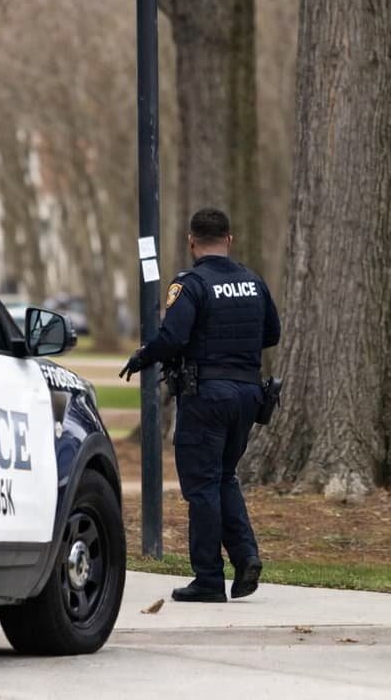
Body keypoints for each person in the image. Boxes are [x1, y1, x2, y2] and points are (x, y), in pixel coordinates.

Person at [121, 208, 280, 603]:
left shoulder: (191, 284)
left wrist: (143, 357)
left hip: (206, 397)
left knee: (202, 487)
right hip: (247, 396)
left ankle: (208, 577)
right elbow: (272, 332)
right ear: (230, 239)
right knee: (224, 477)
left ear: (192, 241)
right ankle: (245, 558)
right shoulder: (253, 281)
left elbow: (172, 337)